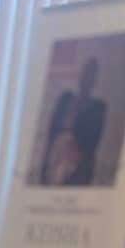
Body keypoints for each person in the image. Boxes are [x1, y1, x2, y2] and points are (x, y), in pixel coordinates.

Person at [39, 56, 108, 187]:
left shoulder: (98, 107)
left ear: (95, 80)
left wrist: (75, 150)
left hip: (77, 159)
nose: (86, 78)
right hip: (55, 153)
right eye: (85, 73)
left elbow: (94, 138)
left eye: (91, 74)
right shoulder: (65, 98)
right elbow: (52, 128)